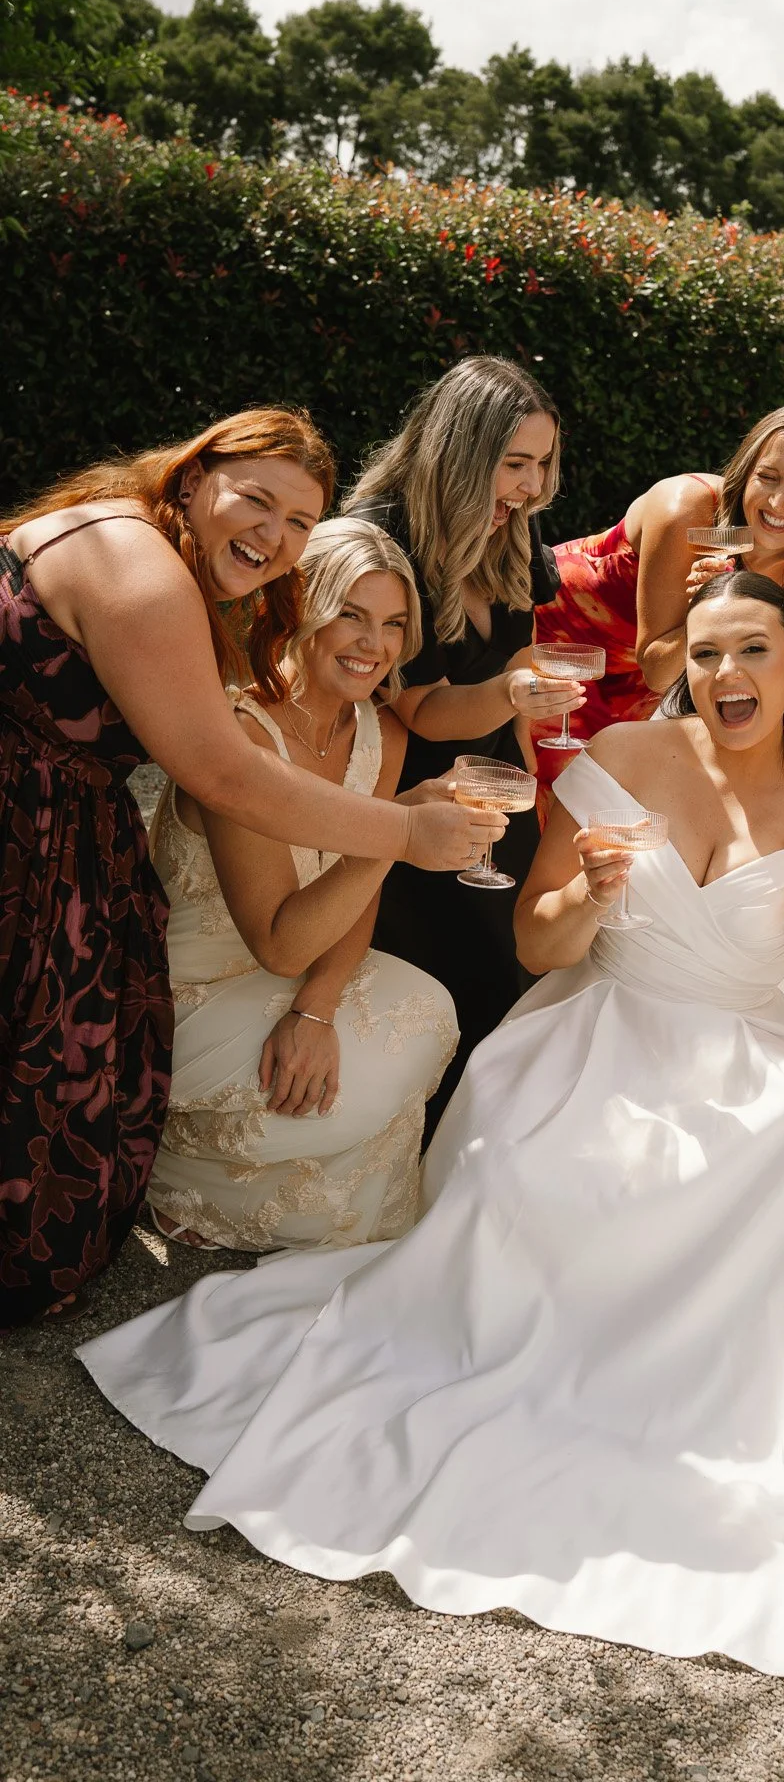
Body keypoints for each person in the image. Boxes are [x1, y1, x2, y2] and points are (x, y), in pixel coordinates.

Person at [78, 572, 784, 1687]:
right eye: (703, 654)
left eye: (751, 651)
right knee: (549, 1140)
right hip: (601, 1029)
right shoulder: (627, 759)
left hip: (749, 1045)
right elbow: (541, 947)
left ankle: (743, 1406)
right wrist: (588, 898)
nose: (725, 674)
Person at [0, 410, 496, 1329]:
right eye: (255, 501)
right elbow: (224, 773)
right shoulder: (136, 564)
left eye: (299, 521)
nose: (274, 536)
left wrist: (318, 998)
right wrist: (399, 834)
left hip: (58, 824)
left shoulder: (363, 724)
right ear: (192, 479)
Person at [145, 519, 459, 1254]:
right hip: (190, 990)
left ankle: (272, 1172)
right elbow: (280, 943)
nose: (372, 645)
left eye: (391, 624)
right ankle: (176, 1165)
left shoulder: (381, 730)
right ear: (301, 609)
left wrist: (317, 1012)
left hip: (292, 972)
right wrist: (398, 834)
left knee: (432, 1011)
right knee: (387, 1057)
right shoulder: (241, 735)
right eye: (350, 613)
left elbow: (354, 899)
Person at [346, 355, 579, 1127]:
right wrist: (510, 693)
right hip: (412, 796)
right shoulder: (385, 540)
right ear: (461, 450)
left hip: (492, 786)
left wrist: (539, 777)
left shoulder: (508, 532)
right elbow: (424, 711)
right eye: (515, 464)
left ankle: (483, 1157)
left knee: (510, 974)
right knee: (450, 980)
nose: (531, 487)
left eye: (542, 465)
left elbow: (517, 661)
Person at [531, 400, 784, 789]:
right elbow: (657, 669)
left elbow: (776, 680)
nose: (778, 503)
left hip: (634, 688)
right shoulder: (688, 509)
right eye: (768, 477)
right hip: (560, 647)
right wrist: (706, 606)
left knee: (611, 812)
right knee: (550, 803)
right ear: (746, 473)